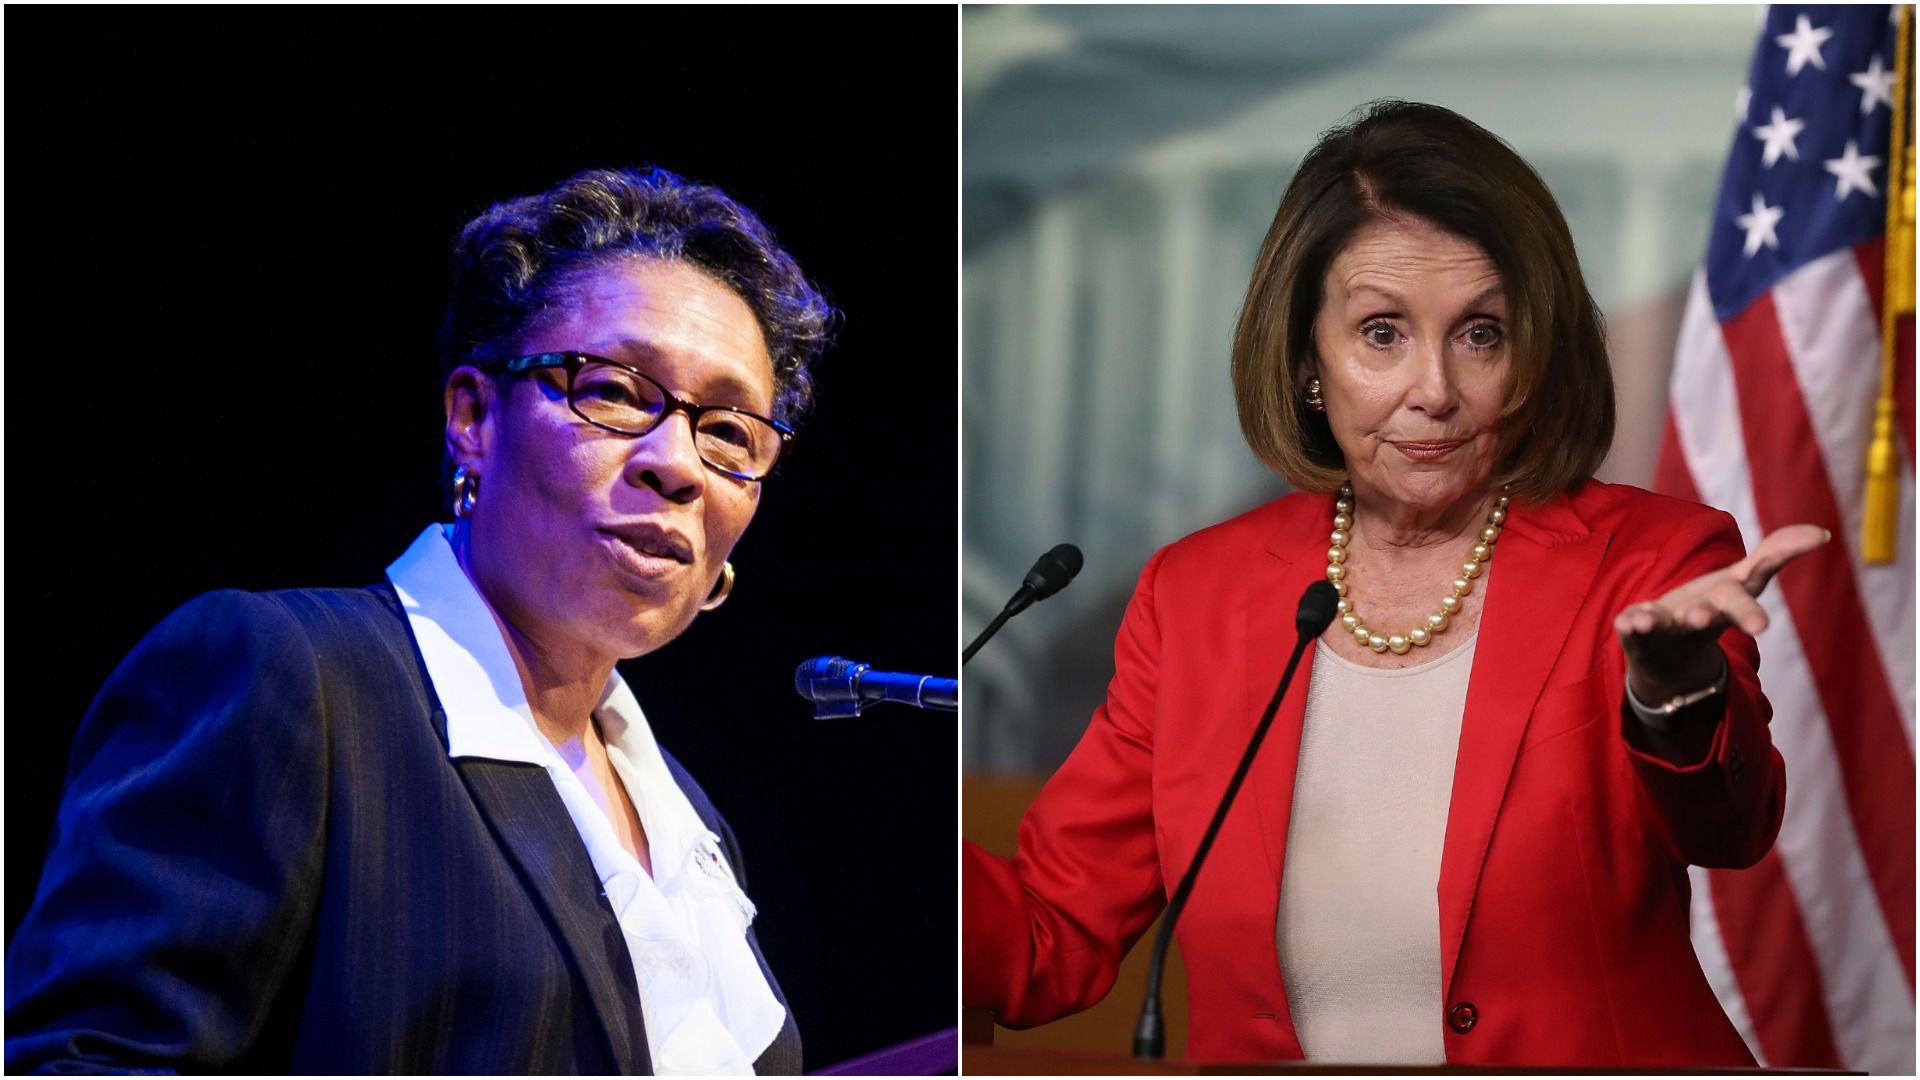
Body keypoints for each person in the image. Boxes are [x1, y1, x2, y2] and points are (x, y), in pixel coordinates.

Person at [963, 101, 1825, 1068]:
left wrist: (1674, 698)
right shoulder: (1194, 598)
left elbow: (1734, 827)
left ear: (1534, 355)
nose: (1435, 390)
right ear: (1306, 364)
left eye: (1482, 334)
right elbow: (1049, 938)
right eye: (1382, 332)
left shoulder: (1650, 560)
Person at [6, 167, 831, 1074]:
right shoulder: (292, 678)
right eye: (618, 391)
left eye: (729, 432)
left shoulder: (690, 823)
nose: (678, 464)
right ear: (473, 415)